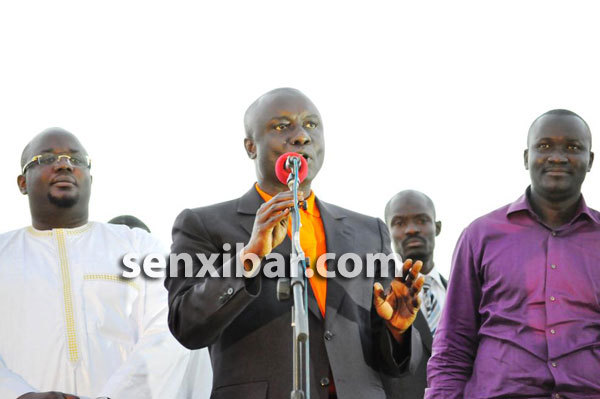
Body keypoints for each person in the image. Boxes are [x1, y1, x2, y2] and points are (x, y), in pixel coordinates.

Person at [165, 88, 425, 399]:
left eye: (311, 125)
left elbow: (397, 365)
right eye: (281, 126)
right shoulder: (203, 224)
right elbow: (186, 325)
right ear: (250, 147)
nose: (301, 136)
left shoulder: (369, 231)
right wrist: (249, 257)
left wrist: (398, 331)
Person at [0, 128, 194, 399]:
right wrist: (19, 395)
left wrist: (114, 397)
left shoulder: (137, 246)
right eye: (46, 159)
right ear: (22, 183)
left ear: (90, 177)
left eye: (76, 160)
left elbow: (168, 328)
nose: (64, 164)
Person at [426, 109, 600, 398]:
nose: (557, 156)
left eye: (573, 147)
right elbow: (453, 344)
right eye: (544, 146)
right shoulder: (481, 235)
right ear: (525, 157)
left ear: (590, 160)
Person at [384, 190, 447, 399]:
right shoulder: (377, 300)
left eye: (421, 220)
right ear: (387, 232)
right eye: (399, 223)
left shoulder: (466, 294)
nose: (411, 230)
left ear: (437, 227)